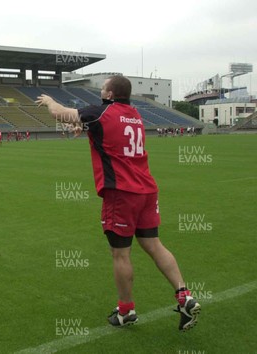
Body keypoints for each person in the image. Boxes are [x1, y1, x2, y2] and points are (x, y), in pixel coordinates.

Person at [36, 75, 201, 332]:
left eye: (103, 88)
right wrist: (85, 128)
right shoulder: (134, 114)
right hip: (147, 189)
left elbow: (60, 113)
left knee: (121, 253)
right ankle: (184, 296)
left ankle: (126, 310)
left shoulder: (100, 112)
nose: (100, 91)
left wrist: (49, 100)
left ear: (110, 94)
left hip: (122, 192)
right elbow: (110, 133)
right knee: (154, 245)